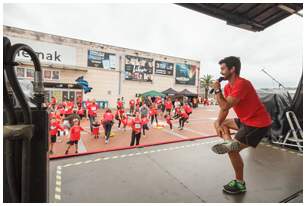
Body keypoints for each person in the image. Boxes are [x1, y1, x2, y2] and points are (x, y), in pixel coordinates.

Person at [211, 56, 272, 194]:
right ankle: (229, 143)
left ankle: (240, 183)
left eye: (223, 68)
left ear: (232, 69)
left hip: (258, 123)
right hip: (246, 120)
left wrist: (216, 90)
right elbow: (224, 109)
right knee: (224, 123)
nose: (221, 72)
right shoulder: (227, 87)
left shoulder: (242, 84)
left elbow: (225, 104)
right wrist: (217, 122)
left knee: (232, 152)